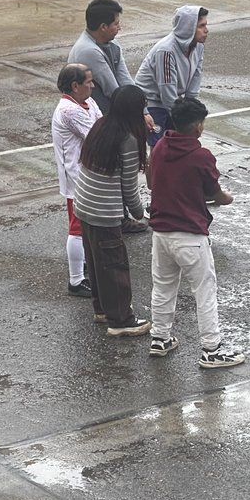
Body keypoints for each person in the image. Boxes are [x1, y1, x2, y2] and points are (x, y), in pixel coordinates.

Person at [146, 96, 244, 369]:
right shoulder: (201, 156)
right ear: (197, 126)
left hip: (161, 233)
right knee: (204, 291)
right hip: (190, 235)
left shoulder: (160, 146)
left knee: (163, 286)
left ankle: (160, 338)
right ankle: (211, 349)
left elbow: (152, 183)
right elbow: (216, 194)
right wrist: (228, 199)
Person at [68, 0, 154, 233]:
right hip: (99, 120)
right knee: (110, 168)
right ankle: (117, 217)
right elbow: (113, 88)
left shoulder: (110, 46)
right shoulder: (88, 51)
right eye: (116, 23)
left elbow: (125, 79)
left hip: (111, 116)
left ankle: (119, 216)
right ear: (103, 27)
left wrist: (142, 109)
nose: (119, 27)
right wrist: (137, 114)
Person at [73, 84, 152, 336]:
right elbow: (129, 187)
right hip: (103, 211)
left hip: (84, 204)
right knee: (114, 266)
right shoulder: (127, 139)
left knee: (97, 263)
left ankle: (102, 310)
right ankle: (120, 321)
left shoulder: (102, 125)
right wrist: (141, 214)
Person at [51, 63, 103, 298]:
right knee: (78, 227)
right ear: (75, 86)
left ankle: (82, 265)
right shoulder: (68, 110)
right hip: (76, 176)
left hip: (85, 172)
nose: (92, 86)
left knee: (83, 225)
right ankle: (76, 281)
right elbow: (97, 135)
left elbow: (100, 123)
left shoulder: (87, 101)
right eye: (88, 82)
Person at [134, 5, 209, 149]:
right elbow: (167, 91)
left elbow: (196, 78)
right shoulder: (166, 51)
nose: (206, 30)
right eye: (201, 26)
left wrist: (191, 110)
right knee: (159, 147)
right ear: (188, 28)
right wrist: (184, 118)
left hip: (174, 100)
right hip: (152, 101)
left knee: (180, 143)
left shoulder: (198, 46)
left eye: (206, 25)